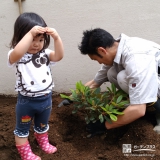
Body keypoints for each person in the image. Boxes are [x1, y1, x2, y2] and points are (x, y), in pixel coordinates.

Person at [59, 28, 160, 137]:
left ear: (102, 50)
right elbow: (95, 83)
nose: (99, 63)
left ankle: (156, 115)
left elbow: (139, 110)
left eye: (96, 59)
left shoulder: (136, 60)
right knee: (112, 73)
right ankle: (140, 105)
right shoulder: (118, 50)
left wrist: (104, 125)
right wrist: (72, 98)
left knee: (122, 77)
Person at [7, 12, 64, 160]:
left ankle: (42, 142)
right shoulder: (17, 56)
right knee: (22, 129)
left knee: (42, 124)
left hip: (46, 100)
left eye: (40, 39)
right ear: (20, 38)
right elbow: (18, 51)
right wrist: (30, 33)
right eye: (32, 39)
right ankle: (25, 153)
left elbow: (59, 56)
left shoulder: (44, 53)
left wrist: (57, 38)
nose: (36, 44)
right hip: (27, 102)